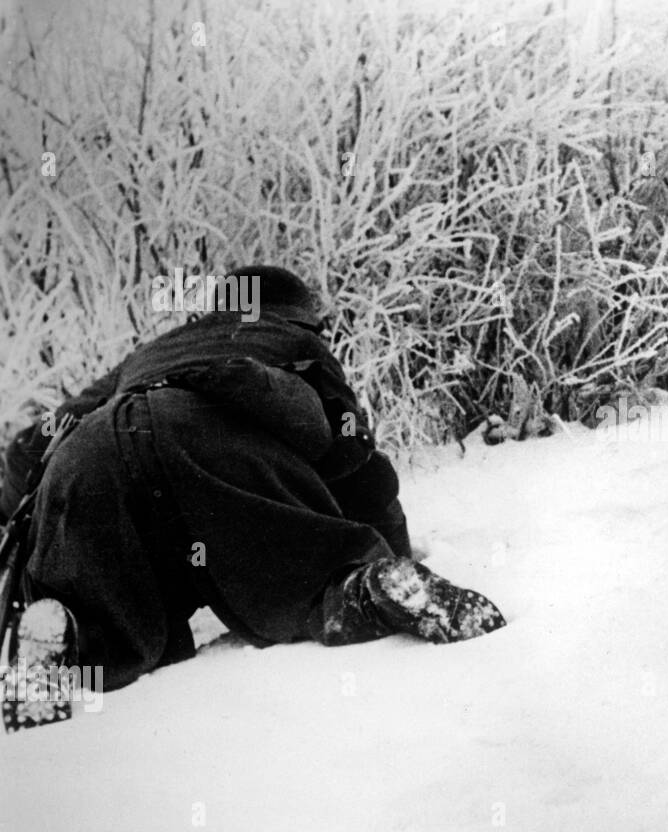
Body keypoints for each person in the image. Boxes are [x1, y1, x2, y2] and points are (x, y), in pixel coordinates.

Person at [0, 265, 506, 728]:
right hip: (208, 439)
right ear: (302, 315)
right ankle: (376, 586)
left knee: (104, 621)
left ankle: (60, 642)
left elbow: (31, 445)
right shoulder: (292, 342)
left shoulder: (157, 350)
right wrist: (383, 548)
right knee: (312, 585)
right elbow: (359, 466)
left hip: (89, 457)